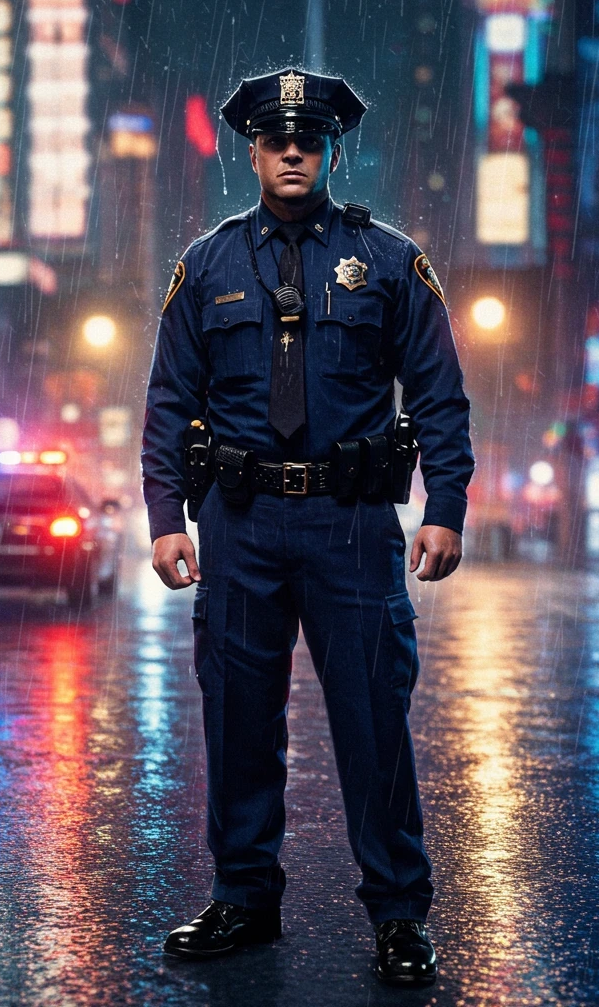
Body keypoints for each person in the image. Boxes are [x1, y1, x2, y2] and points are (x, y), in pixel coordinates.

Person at [141, 68, 473, 987]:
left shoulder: (393, 261)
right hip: (239, 522)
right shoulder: (206, 266)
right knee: (239, 719)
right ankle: (245, 899)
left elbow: (440, 396)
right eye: (276, 138)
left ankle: (400, 914)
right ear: (250, 150)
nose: (292, 151)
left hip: (353, 523)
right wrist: (167, 518)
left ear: (332, 149)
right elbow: (170, 401)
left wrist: (444, 505)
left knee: (374, 721)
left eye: (310, 138)